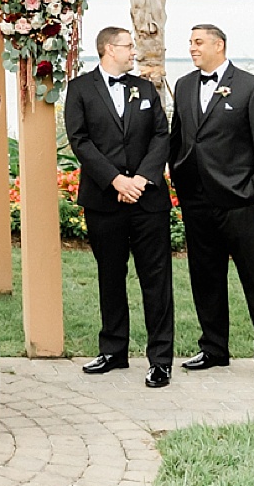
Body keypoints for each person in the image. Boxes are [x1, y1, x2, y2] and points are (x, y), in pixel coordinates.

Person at [169, 24, 254, 388]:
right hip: (197, 202)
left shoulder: (252, 87)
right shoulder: (185, 85)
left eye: (198, 42)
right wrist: (181, 182)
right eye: (190, 42)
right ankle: (214, 347)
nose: (191, 48)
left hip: (239, 202)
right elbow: (179, 139)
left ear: (219, 45)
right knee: (205, 278)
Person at [64, 26, 174, 388]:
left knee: (155, 280)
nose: (134, 52)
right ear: (109, 49)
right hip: (104, 200)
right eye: (128, 46)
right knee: (110, 276)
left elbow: (161, 134)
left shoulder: (144, 88)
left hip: (147, 200)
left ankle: (160, 359)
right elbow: (80, 140)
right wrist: (115, 180)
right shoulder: (80, 88)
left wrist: (141, 179)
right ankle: (113, 350)